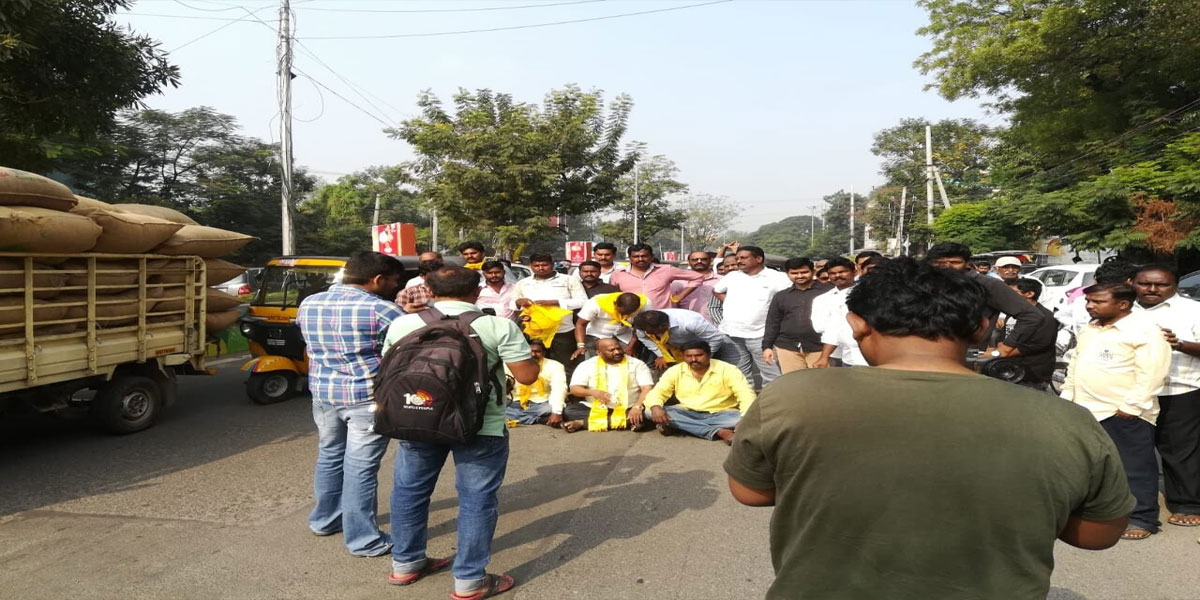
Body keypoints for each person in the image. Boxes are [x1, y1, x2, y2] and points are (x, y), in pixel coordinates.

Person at [725, 258, 1134, 599]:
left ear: (856, 324)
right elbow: (1098, 535)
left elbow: (750, 491)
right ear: (981, 328)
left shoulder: (792, 395)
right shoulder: (1065, 419)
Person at [383, 266, 539, 598]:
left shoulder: (403, 323)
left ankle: (406, 564)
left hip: (416, 418)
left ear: (429, 290)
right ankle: (469, 580)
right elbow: (526, 377)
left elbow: (389, 368)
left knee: (409, 492)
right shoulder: (496, 325)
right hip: (482, 425)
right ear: (476, 290)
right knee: (476, 499)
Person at [295, 251, 407, 558]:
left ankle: (325, 520)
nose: (395, 287)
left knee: (330, 455)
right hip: (366, 399)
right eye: (394, 281)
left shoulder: (309, 303)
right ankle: (364, 540)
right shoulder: (383, 310)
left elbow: (310, 345)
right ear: (378, 280)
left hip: (323, 393)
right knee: (361, 466)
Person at [1061, 282, 1171, 540]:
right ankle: (1096, 513)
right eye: (1089, 301)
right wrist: (1068, 396)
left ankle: (1142, 518)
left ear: (1123, 304)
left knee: (1134, 467)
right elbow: (1076, 362)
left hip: (1124, 412)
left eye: (1097, 302)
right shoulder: (1090, 328)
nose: (1090, 306)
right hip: (1085, 409)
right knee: (1089, 466)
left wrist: (1131, 406)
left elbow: (1154, 371)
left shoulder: (1145, 330)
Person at [1132, 264, 1200, 528]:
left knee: (1180, 450)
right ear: (1133, 283)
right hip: (1133, 391)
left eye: (1161, 285)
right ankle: (1135, 508)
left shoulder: (1193, 310)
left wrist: (1179, 344)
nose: (1152, 289)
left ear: (1176, 286)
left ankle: (1187, 503)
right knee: (1135, 451)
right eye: (1145, 283)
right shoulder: (1123, 310)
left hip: (1180, 389)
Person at [926, 242, 1053, 358]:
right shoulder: (923, 283)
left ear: (967, 263)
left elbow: (1031, 315)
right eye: (939, 263)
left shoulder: (987, 285)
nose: (947, 267)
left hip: (964, 358)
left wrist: (1004, 349)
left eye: (954, 262)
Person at [643, 340, 755, 444]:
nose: (693, 360)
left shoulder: (728, 369)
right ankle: (718, 432)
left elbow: (745, 394)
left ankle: (683, 426)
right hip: (687, 412)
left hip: (722, 414)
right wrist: (656, 406)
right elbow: (658, 392)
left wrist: (745, 419)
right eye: (689, 356)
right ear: (683, 356)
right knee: (650, 411)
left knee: (748, 419)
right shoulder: (675, 370)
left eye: (699, 355)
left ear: (709, 355)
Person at [712, 245, 792, 388]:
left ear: (759, 259)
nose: (739, 261)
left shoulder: (777, 278)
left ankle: (772, 406)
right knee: (739, 375)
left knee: (772, 375)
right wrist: (729, 301)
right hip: (731, 334)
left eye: (743, 258)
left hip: (762, 335)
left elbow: (790, 299)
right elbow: (716, 290)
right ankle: (747, 406)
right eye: (737, 258)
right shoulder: (732, 276)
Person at [511, 252, 588, 368]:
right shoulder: (523, 283)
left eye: (544, 265)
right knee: (535, 366)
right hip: (535, 333)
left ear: (552, 265)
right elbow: (512, 304)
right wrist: (519, 302)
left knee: (564, 365)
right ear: (530, 266)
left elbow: (583, 301)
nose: (540, 268)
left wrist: (555, 302)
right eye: (536, 266)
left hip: (562, 331)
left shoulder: (568, 280)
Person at [563, 338, 654, 433]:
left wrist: (637, 407)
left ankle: (582, 423)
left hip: (629, 407)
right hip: (596, 408)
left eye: (618, 348)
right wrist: (592, 392)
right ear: (599, 352)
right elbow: (574, 389)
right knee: (569, 411)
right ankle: (629, 422)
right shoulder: (586, 365)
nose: (617, 352)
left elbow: (647, 388)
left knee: (649, 413)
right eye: (611, 350)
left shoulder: (637, 364)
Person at [762, 257, 833, 373]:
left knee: (821, 385)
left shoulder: (829, 291)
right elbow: (772, 323)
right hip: (787, 347)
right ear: (787, 274)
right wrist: (767, 347)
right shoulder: (781, 296)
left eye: (804, 272)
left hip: (820, 348)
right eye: (794, 273)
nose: (799, 276)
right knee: (794, 385)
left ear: (813, 271)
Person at [999, 278, 1058, 391]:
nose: (1008, 296)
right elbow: (1004, 336)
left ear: (1030, 294)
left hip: (1032, 374)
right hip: (1010, 370)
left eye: (1013, 293)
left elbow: (1038, 344)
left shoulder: (1046, 317)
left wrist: (1001, 353)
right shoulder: (1013, 313)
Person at [632, 308, 738, 369]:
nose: (647, 333)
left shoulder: (691, 322)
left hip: (709, 345)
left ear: (664, 326)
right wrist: (661, 355)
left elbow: (716, 339)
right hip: (679, 349)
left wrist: (703, 358)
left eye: (651, 332)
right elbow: (644, 338)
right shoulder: (644, 325)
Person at [610, 243, 706, 309]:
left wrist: (680, 296)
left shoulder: (666, 270)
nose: (640, 259)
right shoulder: (618, 274)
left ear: (651, 256)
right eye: (635, 256)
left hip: (661, 318)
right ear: (630, 258)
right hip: (631, 317)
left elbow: (698, 277)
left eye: (644, 256)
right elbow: (612, 297)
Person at [812, 257, 865, 368]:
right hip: (839, 354)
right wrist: (824, 356)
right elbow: (821, 327)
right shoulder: (822, 299)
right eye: (832, 273)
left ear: (855, 272)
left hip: (866, 355)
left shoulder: (867, 295)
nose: (837, 276)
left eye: (842, 272)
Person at [505, 340, 566, 426]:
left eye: (537, 352)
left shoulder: (555, 366)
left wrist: (556, 412)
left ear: (544, 353)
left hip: (541, 403)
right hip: (514, 401)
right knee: (494, 408)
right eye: (531, 351)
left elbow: (559, 389)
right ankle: (538, 420)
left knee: (551, 409)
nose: (533, 354)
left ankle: (518, 417)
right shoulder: (512, 364)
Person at [573, 292, 647, 359]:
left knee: (628, 362)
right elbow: (580, 324)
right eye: (622, 312)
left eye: (629, 313)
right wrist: (581, 346)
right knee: (594, 362)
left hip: (624, 336)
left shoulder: (645, 304)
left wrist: (631, 346)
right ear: (615, 304)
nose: (625, 315)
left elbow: (639, 328)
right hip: (596, 335)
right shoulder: (595, 303)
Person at [669, 250, 723, 320]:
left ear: (710, 261)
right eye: (695, 260)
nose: (699, 261)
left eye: (704, 259)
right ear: (688, 262)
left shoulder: (722, 280)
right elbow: (673, 305)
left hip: (715, 323)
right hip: (687, 323)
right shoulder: (678, 282)